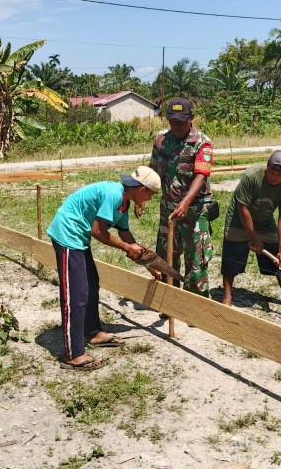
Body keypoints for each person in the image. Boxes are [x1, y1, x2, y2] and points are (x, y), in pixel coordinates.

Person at [46, 166, 162, 371]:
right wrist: (127, 248)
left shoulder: (124, 202)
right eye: (152, 195)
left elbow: (126, 235)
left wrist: (148, 264)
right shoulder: (114, 196)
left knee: (91, 286)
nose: (150, 199)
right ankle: (74, 355)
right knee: (76, 294)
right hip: (67, 234)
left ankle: (93, 332)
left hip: (78, 238)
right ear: (142, 189)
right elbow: (98, 232)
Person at [220, 150, 281, 310]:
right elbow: (242, 207)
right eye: (271, 172)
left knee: (276, 256)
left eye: (279, 175)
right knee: (232, 254)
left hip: (264, 220)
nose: (274, 177)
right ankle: (227, 296)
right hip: (239, 218)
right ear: (267, 166)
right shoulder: (251, 176)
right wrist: (253, 238)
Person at [150, 97, 214, 297]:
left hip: (195, 209)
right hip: (168, 208)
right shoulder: (161, 140)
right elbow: (152, 170)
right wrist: (142, 195)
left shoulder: (202, 143)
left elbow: (201, 175)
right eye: (172, 121)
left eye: (181, 121)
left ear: (191, 118)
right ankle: (169, 298)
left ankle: (194, 303)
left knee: (196, 257)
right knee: (167, 255)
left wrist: (185, 203)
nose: (176, 125)